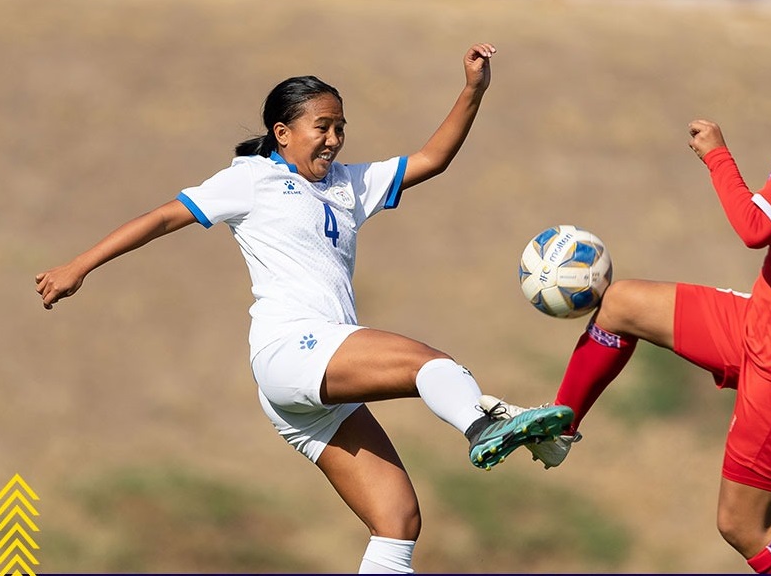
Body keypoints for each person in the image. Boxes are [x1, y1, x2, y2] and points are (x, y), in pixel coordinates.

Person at [34, 43, 574, 574]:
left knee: (398, 520)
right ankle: (484, 427)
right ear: (282, 133)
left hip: (308, 385)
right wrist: (78, 265)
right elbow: (161, 218)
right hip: (292, 349)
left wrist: (472, 91)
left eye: (340, 126)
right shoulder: (250, 179)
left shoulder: (347, 185)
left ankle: (489, 420)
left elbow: (433, 158)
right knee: (430, 364)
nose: (335, 139)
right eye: (323, 126)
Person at [484, 4, 771, 574]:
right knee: (619, 304)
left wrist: (717, 155)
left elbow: (753, 229)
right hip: (766, 330)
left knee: (743, 524)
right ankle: (561, 428)